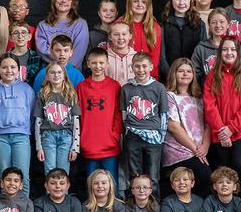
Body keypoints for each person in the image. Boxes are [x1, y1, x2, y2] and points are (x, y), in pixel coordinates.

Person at [203, 36, 241, 189]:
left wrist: (231, 129)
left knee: (239, 164)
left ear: (238, 52)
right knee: (224, 172)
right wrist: (222, 130)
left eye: (233, 49)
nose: (229, 53)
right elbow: (209, 105)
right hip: (219, 132)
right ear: (220, 53)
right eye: (225, 49)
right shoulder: (213, 75)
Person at [162, 58, 211, 196]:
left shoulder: (199, 97)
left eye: (189, 71)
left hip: (199, 151)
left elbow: (208, 124)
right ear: (174, 74)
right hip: (178, 151)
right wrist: (196, 150)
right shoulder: (169, 96)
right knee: (205, 177)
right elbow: (173, 127)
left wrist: (205, 146)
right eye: (181, 71)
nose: (185, 74)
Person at [121, 52, 168, 190]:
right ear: (132, 67)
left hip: (153, 136)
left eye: (144, 66)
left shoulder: (159, 87)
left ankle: (153, 205)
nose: (141, 70)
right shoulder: (126, 88)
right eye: (137, 66)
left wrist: (161, 136)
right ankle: (134, 206)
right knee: (134, 173)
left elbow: (164, 113)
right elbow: (124, 114)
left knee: (153, 175)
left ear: (151, 67)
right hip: (133, 135)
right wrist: (127, 131)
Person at [0, 55, 35, 185]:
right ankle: (7, 205)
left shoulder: (26, 89)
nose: (9, 70)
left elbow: (31, 115)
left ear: (19, 70)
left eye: (13, 67)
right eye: (4, 67)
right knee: (5, 176)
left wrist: (24, 128)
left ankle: (23, 205)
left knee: (23, 176)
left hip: (21, 136)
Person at [76, 48, 122, 180]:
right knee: (92, 184)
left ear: (107, 63)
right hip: (89, 143)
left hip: (109, 143)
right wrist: (81, 139)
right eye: (94, 63)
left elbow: (118, 114)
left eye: (101, 63)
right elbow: (77, 115)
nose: (98, 66)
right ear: (88, 64)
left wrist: (115, 135)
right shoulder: (81, 87)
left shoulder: (114, 86)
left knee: (111, 183)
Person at [33, 63, 81, 175]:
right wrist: (38, 147)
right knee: (49, 171)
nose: (56, 75)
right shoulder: (42, 94)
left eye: (59, 72)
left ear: (64, 75)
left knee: (63, 172)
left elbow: (76, 121)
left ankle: (64, 193)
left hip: (66, 137)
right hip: (48, 136)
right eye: (52, 72)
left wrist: (75, 147)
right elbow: (38, 122)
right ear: (47, 75)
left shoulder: (70, 94)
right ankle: (49, 193)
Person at [36, 0, 89, 68]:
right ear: (55, 0)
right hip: (50, 73)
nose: (64, 0)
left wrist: (65, 69)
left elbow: (79, 52)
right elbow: (42, 51)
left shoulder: (81, 24)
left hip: (72, 73)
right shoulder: (42, 25)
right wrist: (57, 69)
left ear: (72, 4)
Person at [158, 0, 202, 78]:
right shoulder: (164, 23)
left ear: (191, 0)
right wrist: (171, 75)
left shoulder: (199, 24)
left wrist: (191, 76)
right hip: (168, 77)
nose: (181, 3)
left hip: (192, 78)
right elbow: (162, 56)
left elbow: (201, 55)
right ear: (171, 1)